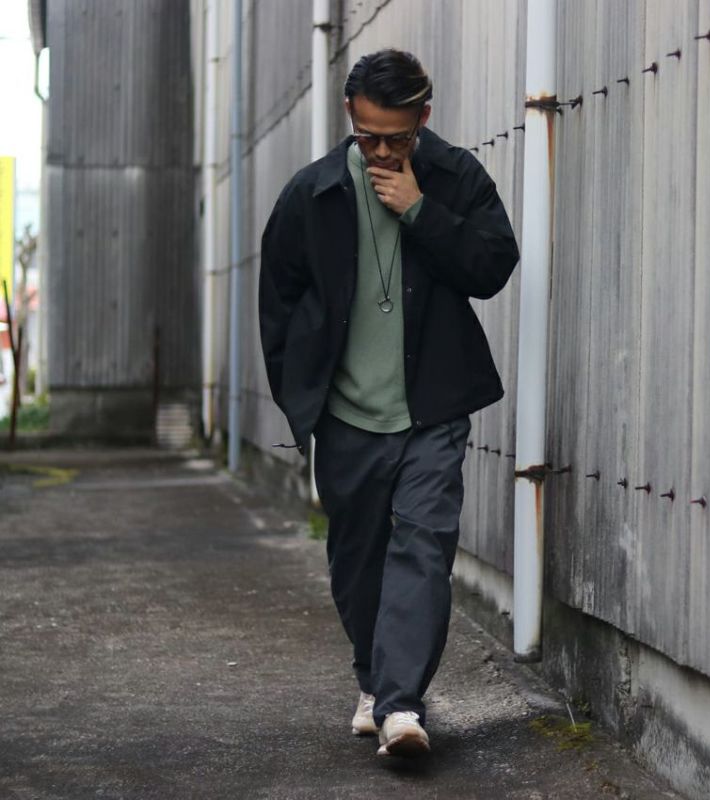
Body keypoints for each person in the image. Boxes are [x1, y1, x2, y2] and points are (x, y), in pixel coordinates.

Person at [259, 49, 519, 758]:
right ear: (351, 114)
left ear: (422, 118)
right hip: (346, 416)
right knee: (357, 558)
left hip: (433, 407)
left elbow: (493, 265)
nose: (381, 151)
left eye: (397, 138)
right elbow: (278, 303)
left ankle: (401, 705)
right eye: (368, 136)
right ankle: (375, 681)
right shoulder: (311, 194)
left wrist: (420, 211)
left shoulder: (455, 176)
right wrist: (301, 398)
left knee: (424, 546)